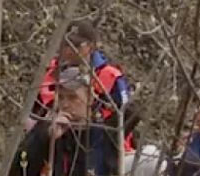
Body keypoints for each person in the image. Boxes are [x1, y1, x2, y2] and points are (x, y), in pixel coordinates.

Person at [28, 20, 135, 149]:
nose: (68, 49)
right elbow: (33, 112)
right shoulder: (49, 71)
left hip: (100, 147)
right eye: (65, 43)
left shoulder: (109, 77)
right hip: (52, 144)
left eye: (75, 45)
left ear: (90, 47)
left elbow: (124, 118)